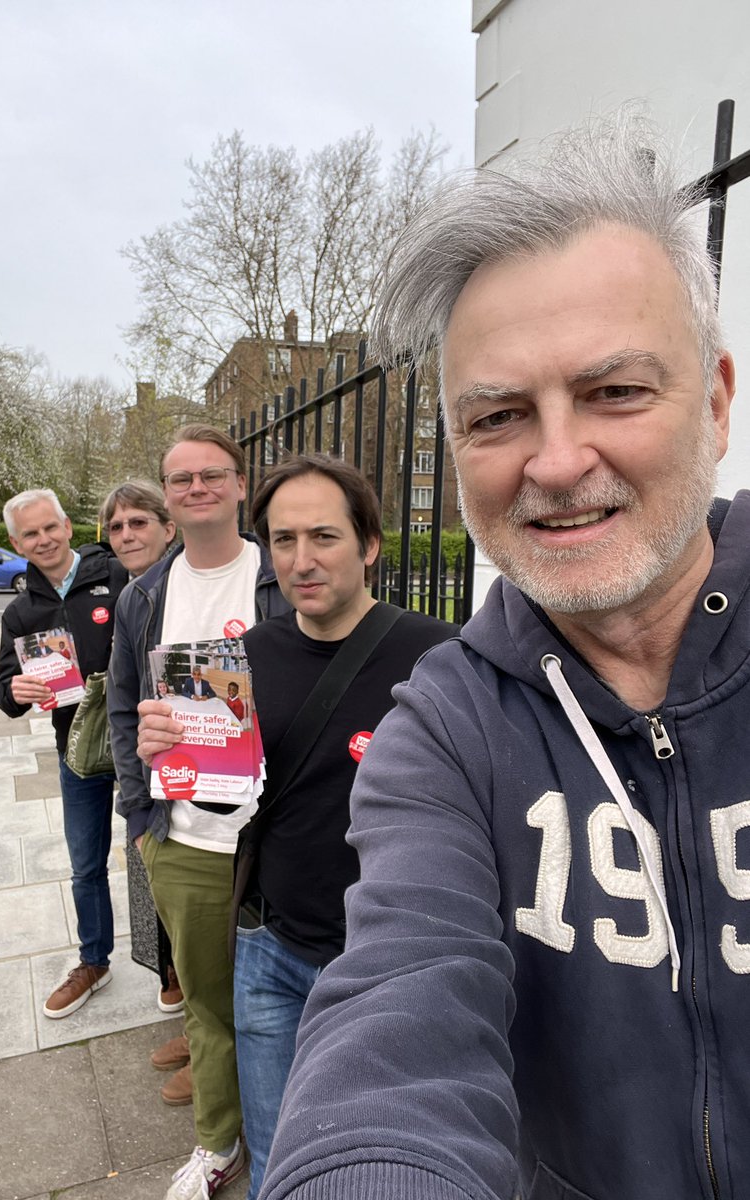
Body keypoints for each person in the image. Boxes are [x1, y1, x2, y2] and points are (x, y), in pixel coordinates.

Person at [259, 113, 748, 1200]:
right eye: (499, 415)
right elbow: (400, 1010)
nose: (559, 459)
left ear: (715, 401)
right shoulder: (444, 730)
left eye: (617, 392)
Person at [136, 454, 456, 1199]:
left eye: (324, 537)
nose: (302, 562)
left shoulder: (439, 655)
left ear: (369, 544)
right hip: (270, 951)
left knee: (387, 1163)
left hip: (387, 961)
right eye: (283, 541)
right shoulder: (244, 658)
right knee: (280, 1158)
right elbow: (225, 801)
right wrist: (172, 759)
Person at [107, 424, 291, 1200]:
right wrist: (138, 808)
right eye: (180, 479)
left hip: (278, 830)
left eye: (212, 474)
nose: (196, 488)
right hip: (182, 834)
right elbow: (121, 707)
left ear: (242, 485)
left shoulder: (285, 574)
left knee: (287, 1003)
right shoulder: (144, 594)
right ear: (168, 496)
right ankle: (220, 1146)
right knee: (211, 1010)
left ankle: (293, 1141)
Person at [0, 488, 127, 1018]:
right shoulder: (20, 611)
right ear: (16, 542)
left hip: (140, 740)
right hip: (76, 748)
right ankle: (94, 961)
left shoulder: (117, 576)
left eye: (50, 527)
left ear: (68, 525)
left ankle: (169, 964)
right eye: (31, 534)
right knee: (85, 864)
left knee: (152, 857)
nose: (44, 539)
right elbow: (5, 691)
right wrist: (18, 690)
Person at [98, 480, 183, 1015]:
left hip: (206, 775)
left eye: (138, 523)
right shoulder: (128, 595)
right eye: (116, 527)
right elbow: (123, 701)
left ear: (168, 527)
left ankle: (193, 1005)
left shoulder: (183, 588)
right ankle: (174, 984)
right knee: (155, 891)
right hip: (146, 779)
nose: (127, 535)